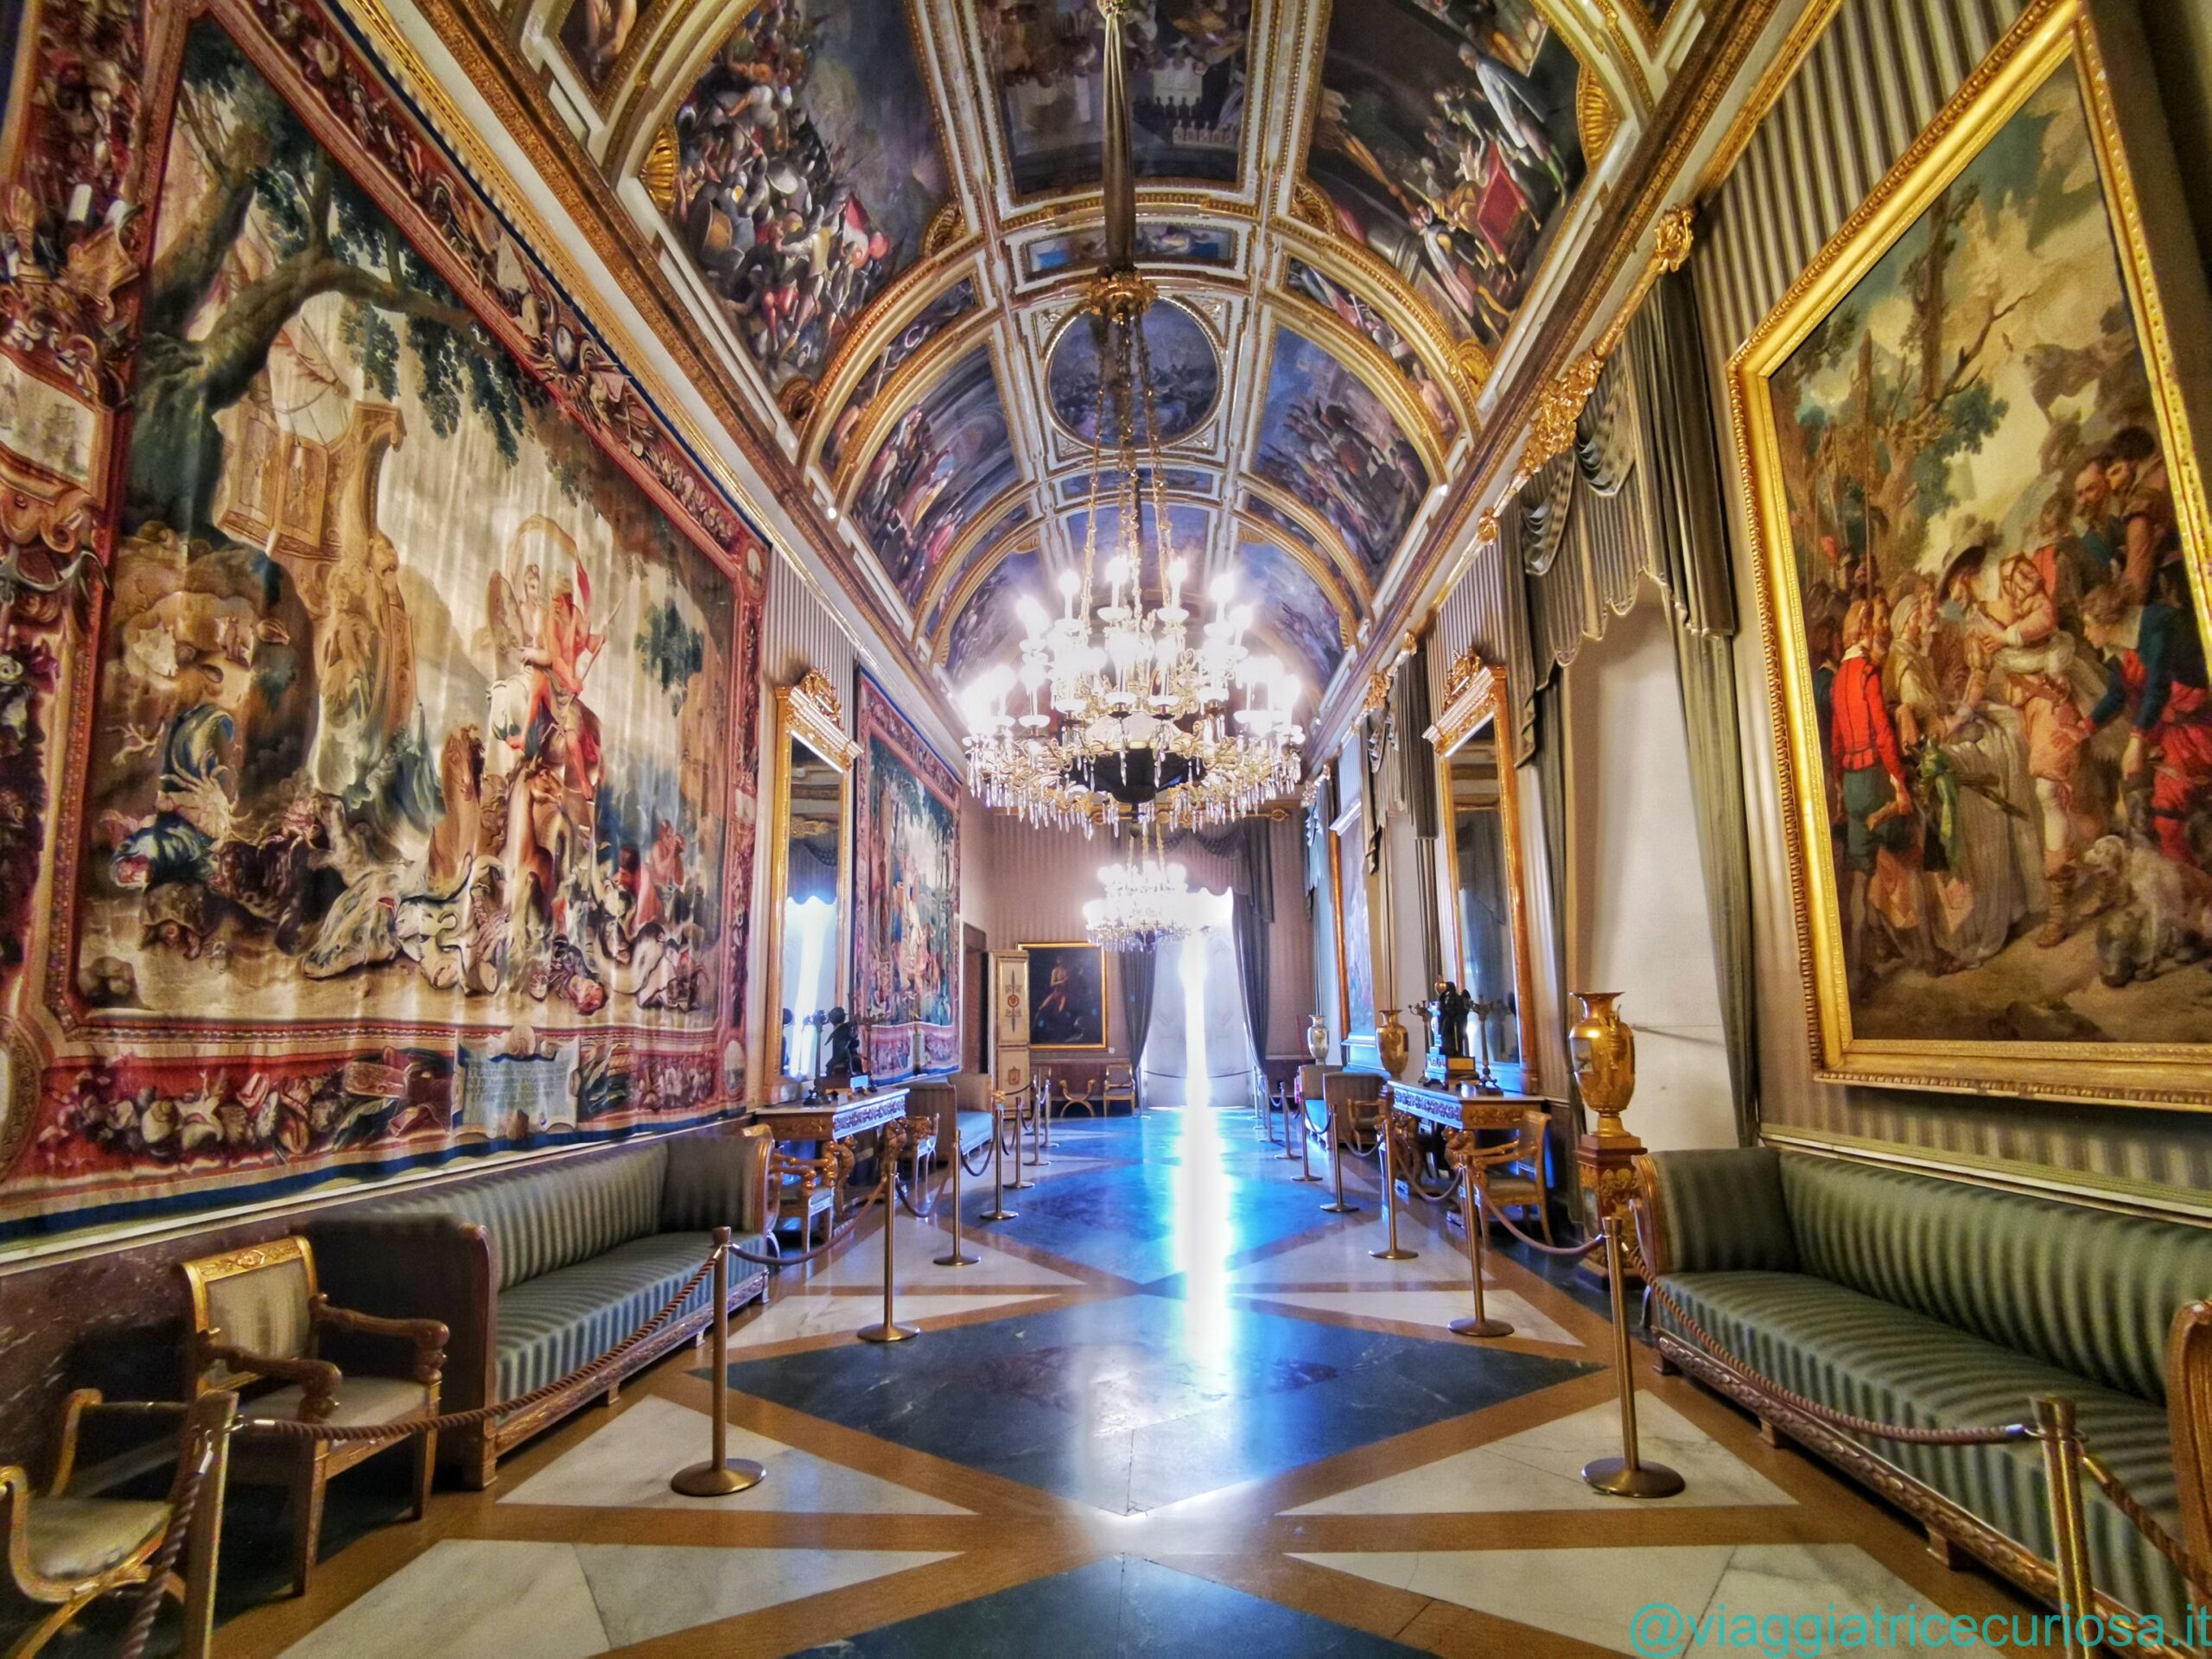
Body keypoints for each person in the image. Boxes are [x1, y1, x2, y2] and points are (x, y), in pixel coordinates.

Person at [2082, 576, 2212, 869]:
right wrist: (2085, 727)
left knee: (2174, 808)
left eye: (2089, 625)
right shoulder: (2119, 651)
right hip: (2171, 732)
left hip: (2198, 729)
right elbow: (2117, 696)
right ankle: (2188, 883)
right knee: (2163, 817)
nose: (2085, 633)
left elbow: (2157, 689)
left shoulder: (2157, 628)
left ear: (2108, 624)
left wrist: (2137, 742)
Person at [1830, 599, 1915, 988]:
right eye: (1873, 627)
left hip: (1851, 781)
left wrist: (1842, 787)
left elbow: (1836, 744)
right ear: (1863, 631)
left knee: (1861, 875)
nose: (1878, 632)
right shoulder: (1866, 672)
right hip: (1875, 777)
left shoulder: (1838, 679)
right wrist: (1899, 782)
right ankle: (1926, 952)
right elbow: (1882, 733)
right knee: (1908, 853)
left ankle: (1857, 968)